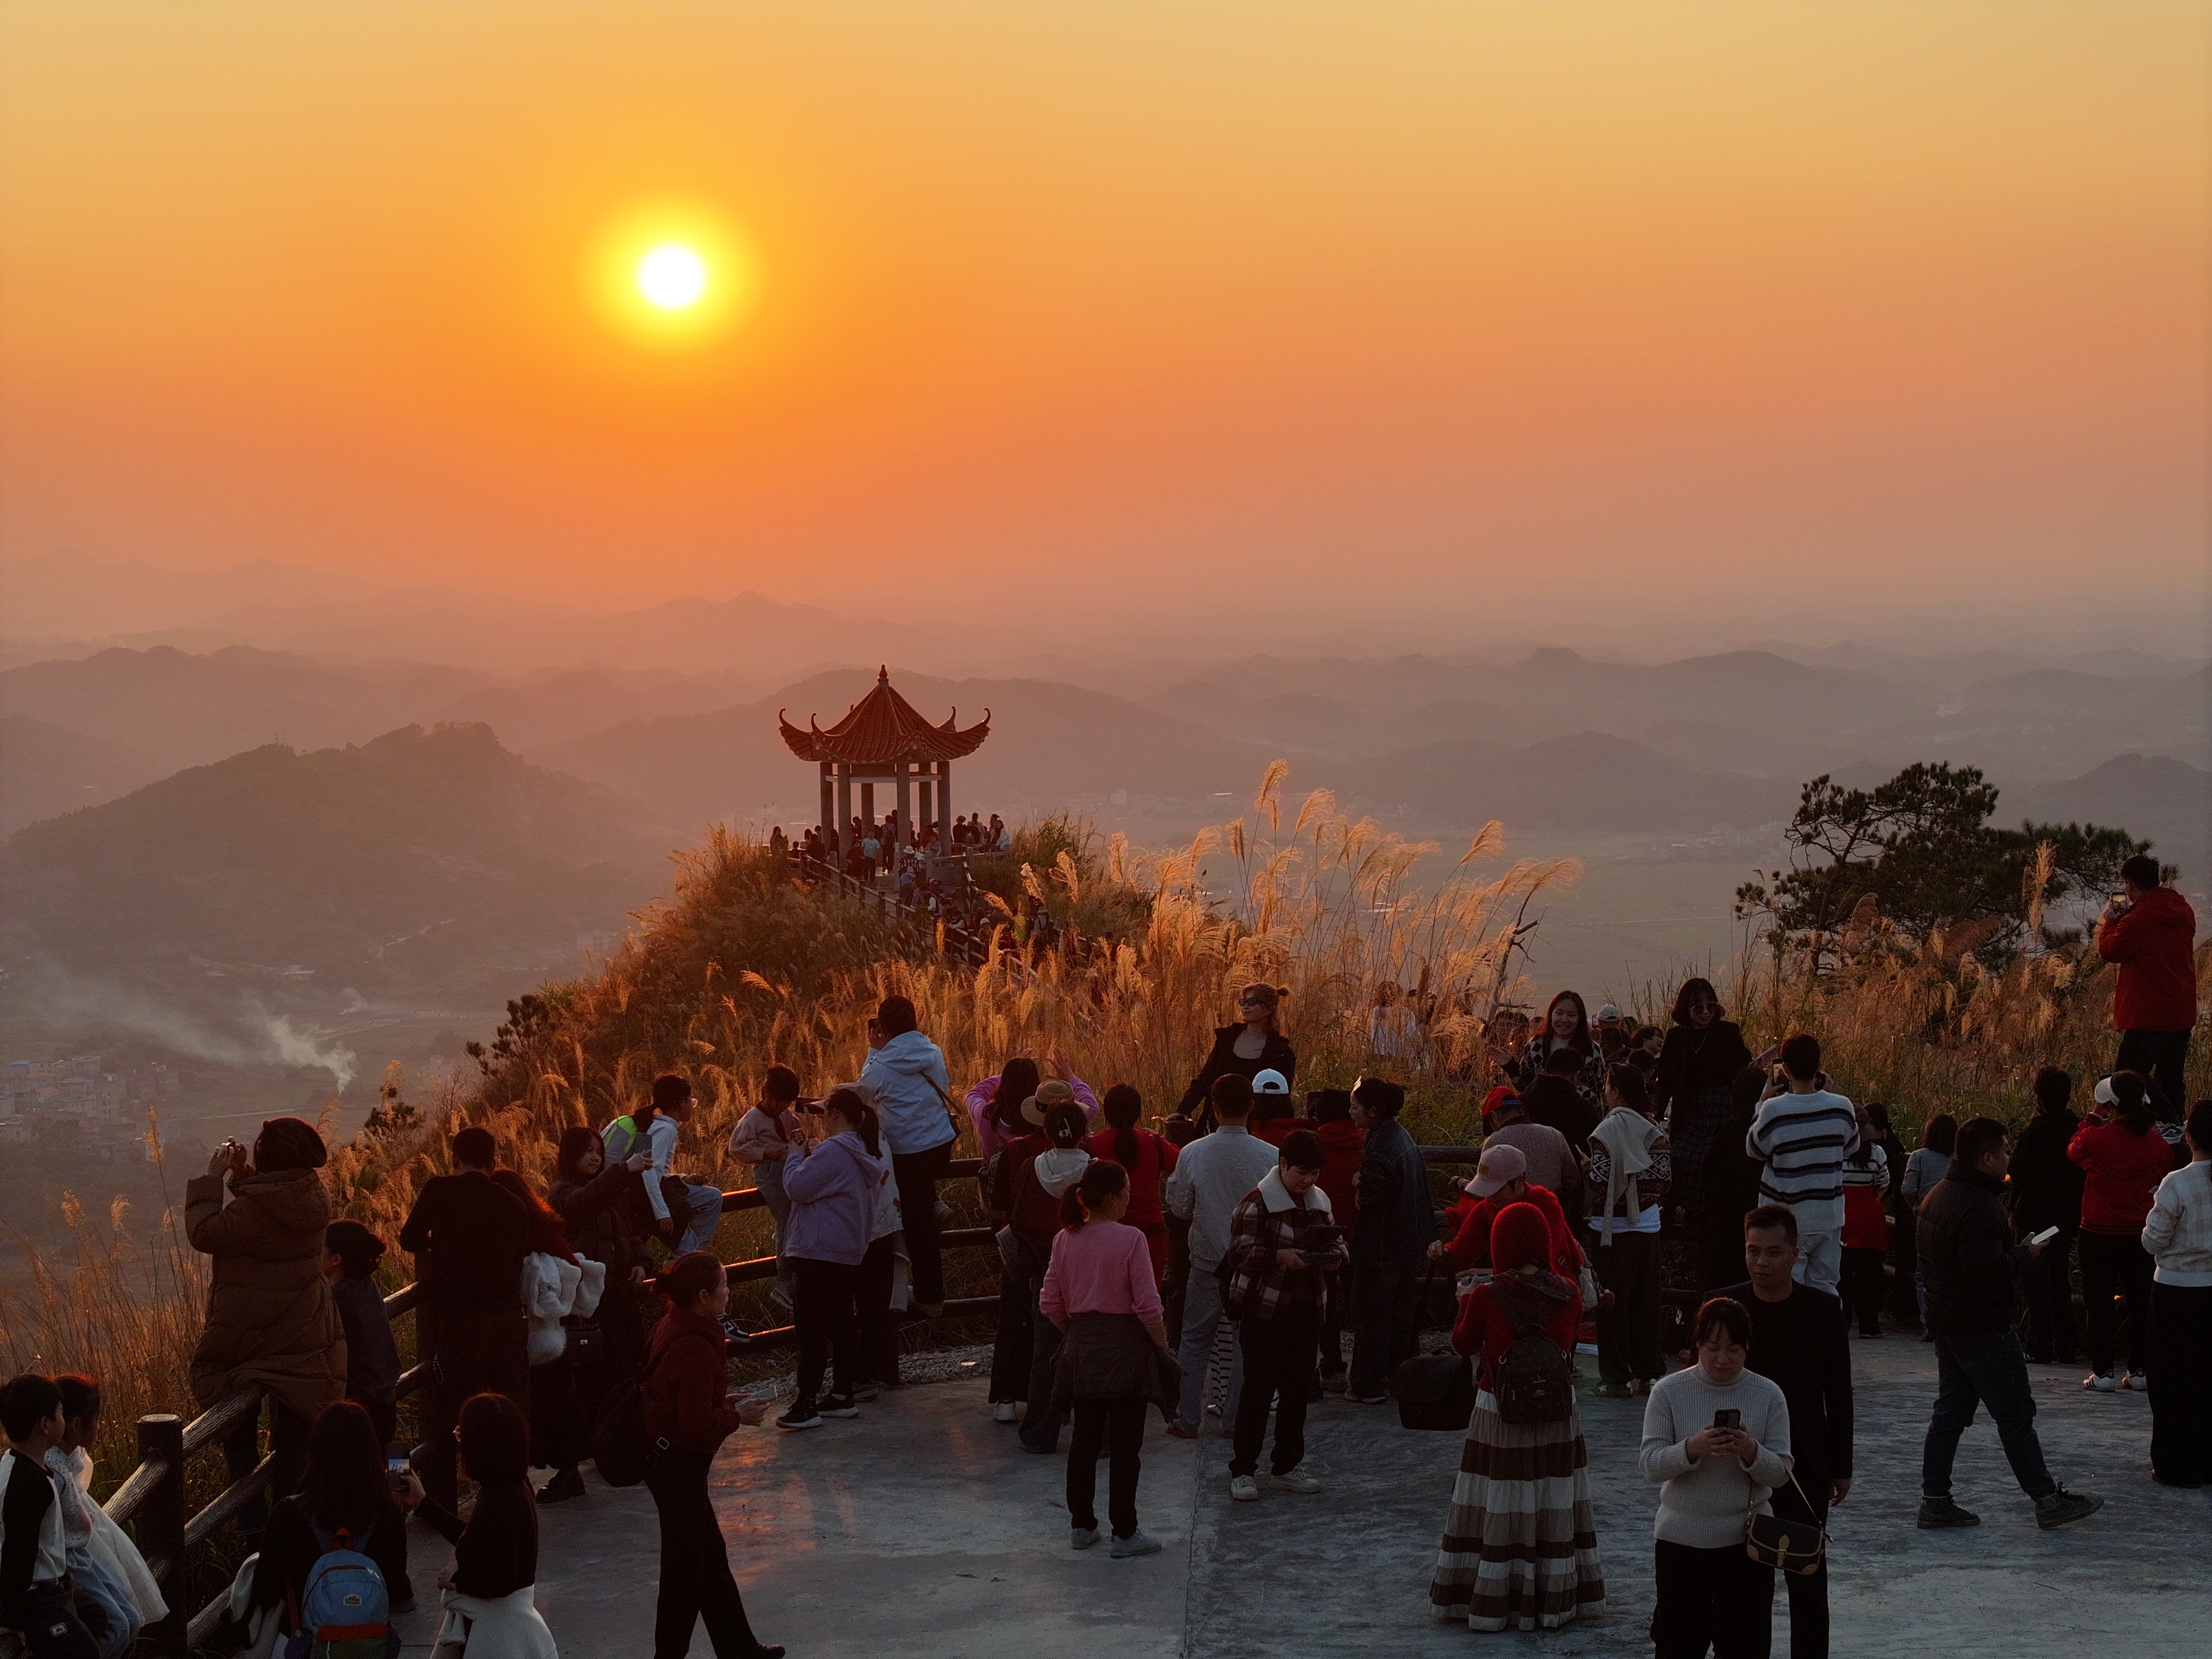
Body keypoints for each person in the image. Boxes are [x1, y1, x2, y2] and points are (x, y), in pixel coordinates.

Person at [1915, 1116, 2103, 1531]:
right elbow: (1987, 1270)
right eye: (2003, 1150)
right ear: (1986, 1158)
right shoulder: (1980, 1207)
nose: (2007, 1158)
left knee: (1950, 1413)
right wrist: (2025, 1254)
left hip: (1948, 1321)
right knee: (2014, 1415)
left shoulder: (1940, 1195)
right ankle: (2046, 1499)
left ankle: (1935, 1499)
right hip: (1982, 1325)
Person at [1427, 1203, 1602, 1633]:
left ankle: (1496, 1595)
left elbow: (1462, 1344)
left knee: (1500, 1499)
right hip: (1557, 1407)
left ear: (1499, 1246)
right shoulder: (1569, 1292)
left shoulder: (1487, 1295)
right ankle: (1552, 1596)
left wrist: (1463, 1304)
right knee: (1552, 1497)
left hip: (1500, 1407)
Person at [187, 1116, 344, 1540]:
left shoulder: (253, 1213)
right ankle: (300, 1532)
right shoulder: (313, 1194)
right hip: (301, 1332)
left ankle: (256, 1535)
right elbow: (274, 1207)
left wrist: (212, 1179)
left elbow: (205, 1233)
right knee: (296, 1446)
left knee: (235, 1427)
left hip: (251, 1335)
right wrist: (245, 1176)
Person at [1714, 1208, 1852, 1659]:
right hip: (1736, 1462)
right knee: (1745, 1585)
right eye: (1753, 1251)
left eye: (1774, 1253)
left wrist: (1841, 1467)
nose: (1762, 1263)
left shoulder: (1823, 1311)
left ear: (1795, 1255)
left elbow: (1839, 1393)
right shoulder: (1724, 1309)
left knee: (1806, 1578)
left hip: (1804, 1465)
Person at [637, 1252, 781, 1659]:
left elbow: (680, 1400)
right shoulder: (696, 1346)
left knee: (709, 1561)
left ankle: (740, 1649)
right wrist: (738, 1417)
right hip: (678, 1465)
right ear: (703, 1296)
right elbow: (696, 1426)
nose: (728, 1293)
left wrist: (727, 1402)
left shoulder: (672, 1324)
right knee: (684, 1575)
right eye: (724, 1287)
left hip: (666, 1459)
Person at [1640, 1299, 1792, 1659]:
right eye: (1712, 1349)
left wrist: (1750, 1450)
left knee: (1745, 1647)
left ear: (1747, 1348)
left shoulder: (1768, 1394)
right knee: (1678, 1646)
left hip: (1746, 1544)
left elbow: (1782, 1473)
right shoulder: (1668, 1391)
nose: (1722, 1359)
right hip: (1681, 1541)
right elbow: (1650, 1465)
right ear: (1697, 1345)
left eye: (1733, 1350)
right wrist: (1693, 1448)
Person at [1039, 1159, 1173, 1559]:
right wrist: (1162, 1346)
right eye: (1127, 1191)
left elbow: (1050, 1302)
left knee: (1084, 1440)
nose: (1130, 1197)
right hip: (1127, 1352)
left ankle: (1082, 1526)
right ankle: (1125, 1532)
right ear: (1113, 1198)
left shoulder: (1064, 1239)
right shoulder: (1131, 1239)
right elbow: (1148, 1305)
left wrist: (1078, 1332)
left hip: (1083, 1350)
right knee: (1126, 1447)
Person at [400, 1125, 531, 1512]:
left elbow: (409, 1239)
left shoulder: (439, 1191)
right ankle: (514, 1487)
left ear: (454, 1159)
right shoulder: (511, 1202)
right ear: (494, 1162)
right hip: (509, 1316)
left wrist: (442, 1249)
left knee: (457, 1408)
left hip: (463, 1319)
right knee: (509, 1404)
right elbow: (519, 1255)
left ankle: (448, 1498)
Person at [1222, 1130, 1340, 1502]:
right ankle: (1243, 1469)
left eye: (1314, 1173)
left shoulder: (1319, 1200)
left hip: (1307, 1308)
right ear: (1283, 1165)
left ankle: (1287, 1466)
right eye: (1302, 1173)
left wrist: (1334, 1258)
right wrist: (1279, 1257)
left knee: (1297, 1392)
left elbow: (1337, 1243)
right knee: (1257, 1390)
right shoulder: (1256, 1202)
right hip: (1265, 1309)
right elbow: (1238, 1253)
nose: (1308, 1180)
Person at [1165, 1075, 1279, 1437]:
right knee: (1247, 1345)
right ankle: (1235, 1420)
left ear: (1213, 1108)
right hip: (1252, 1265)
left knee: (1195, 1340)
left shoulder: (1192, 1153)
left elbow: (1180, 1208)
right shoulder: (1271, 1156)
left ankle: (1188, 1419)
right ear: (1251, 1107)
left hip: (1207, 1262)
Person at [402, 1393, 556, 1659]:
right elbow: (478, 1539)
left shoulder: (502, 1501)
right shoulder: (509, 1486)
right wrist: (423, 1503)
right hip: (510, 1629)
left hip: (497, 1636)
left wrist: (456, 1580)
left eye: (462, 1436)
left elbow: (500, 1581)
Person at [775, 1088, 887, 1431]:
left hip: (818, 1250)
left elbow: (797, 1187)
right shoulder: (862, 1151)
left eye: (825, 1113)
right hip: (847, 1251)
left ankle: (806, 1403)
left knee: (811, 1328)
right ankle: (841, 1394)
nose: (822, 1119)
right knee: (841, 1323)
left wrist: (795, 1155)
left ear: (836, 1114)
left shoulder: (836, 1149)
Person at [251, 1400, 415, 1633]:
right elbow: (395, 1588)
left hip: (306, 1640)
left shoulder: (289, 1514)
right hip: (368, 1643)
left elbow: (265, 1590)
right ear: (371, 1451)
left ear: (316, 1450)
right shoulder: (388, 1516)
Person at [491, 1169, 601, 1506]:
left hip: (536, 1333)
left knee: (547, 1401)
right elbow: (571, 1263)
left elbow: (569, 1266)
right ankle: (563, 1471)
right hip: (545, 1332)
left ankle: (559, 1473)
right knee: (553, 1399)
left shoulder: (525, 1230)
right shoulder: (541, 1226)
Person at [2069, 1071, 2174, 1392]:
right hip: (2140, 1234)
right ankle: (2139, 1369)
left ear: (2111, 1105)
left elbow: (2074, 1150)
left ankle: (2102, 1372)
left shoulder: (2095, 1139)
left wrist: (2093, 1116)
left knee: (2099, 1303)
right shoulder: (2158, 1144)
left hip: (2098, 1231)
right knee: (2141, 1303)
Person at [45, 1378, 165, 1658]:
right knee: (119, 1624)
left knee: (128, 1619)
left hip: (79, 1553)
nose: (98, 1427)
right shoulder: (51, 1470)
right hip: (69, 1561)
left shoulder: (68, 1459)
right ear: (77, 1424)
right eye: (96, 1420)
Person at [859, 995, 957, 1317]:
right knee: (920, 1204)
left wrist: (874, 1051)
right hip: (941, 1146)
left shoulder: (881, 1064)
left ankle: (931, 1298)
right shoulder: (933, 1052)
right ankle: (934, 1201)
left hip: (909, 1155)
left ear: (883, 1028)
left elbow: (864, 1096)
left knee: (918, 1228)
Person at [1745, 1035, 1859, 1297]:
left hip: (1785, 1220)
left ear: (1784, 1069)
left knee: (1787, 1289)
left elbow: (1754, 1149)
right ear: (1819, 1065)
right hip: (1828, 1215)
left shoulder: (1774, 1110)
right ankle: (1829, 1325)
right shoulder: (1842, 1107)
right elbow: (1851, 1147)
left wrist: (1761, 1103)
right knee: (1826, 1287)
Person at [1346, 1076, 1434, 1405]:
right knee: (1399, 1317)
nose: (1351, 1113)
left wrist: (1358, 1182)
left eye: (1355, 1108)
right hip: (1407, 1242)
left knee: (1372, 1318)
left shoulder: (1382, 1147)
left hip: (1381, 1247)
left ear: (1373, 1111)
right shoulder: (1398, 1136)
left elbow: (1369, 1197)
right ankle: (1400, 1377)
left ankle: (1367, 1383)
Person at [1014, 1099, 1096, 1454]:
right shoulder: (1096, 1172)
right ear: (1084, 1133)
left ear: (1046, 1133)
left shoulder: (1030, 1168)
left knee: (1045, 1355)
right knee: (1094, 1353)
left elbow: (1017, 1217)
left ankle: (1039, 1433)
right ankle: (1097, 1435)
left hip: (1045, 1270)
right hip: (1091, 1276)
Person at [1584, 1065, 1670, 1398]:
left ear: (1616, 1092)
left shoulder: (1606, 1130)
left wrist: (1587, 1168)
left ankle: (1616, 1378)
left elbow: (1600, 1180)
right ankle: (1649, 1374)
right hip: (1647, 1225)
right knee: (1646, 1302)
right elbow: (1663, 1178)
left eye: (1608, 1087)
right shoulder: (1653, 1130)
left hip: (1611, 1230)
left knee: (1612, 1304)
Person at [0, 1374, 98, 1659]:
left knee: (96, 1616)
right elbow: (18, 1554)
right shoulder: (29, 1486)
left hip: (48, 1587)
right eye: (60, 1414)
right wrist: (13, 1618)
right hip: (33, 1598)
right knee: (84, 1651)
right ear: (44, 1425)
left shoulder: (15, 1463)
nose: (64, 1421)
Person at [2096, 853, 2199, 1122]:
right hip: (2182, 1010)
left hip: (2149, 1013)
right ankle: (2175, 1134)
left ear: (2130, 884)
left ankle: (2169, 1123)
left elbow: (2111, 950)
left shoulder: (2138, 920)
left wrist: (2111, 921)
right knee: (2171, 1080)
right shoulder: (2183, 910)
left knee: (2128, 1078)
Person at [550, 1126, 653, 1391]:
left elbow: (628, 1233)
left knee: (632, 1361)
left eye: (598, 1152)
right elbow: (581, 1204)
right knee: (603, 1368)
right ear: (571, 1154)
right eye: (587, 1151)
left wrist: (641, 1263)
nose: (595, 1157)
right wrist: (622, 1171)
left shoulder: (608, 1192)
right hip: (590, 1298)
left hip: (620, 1291)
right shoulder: (562, 1192)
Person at [2143, 1099, 2212, 1487]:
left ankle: (2177, 1465)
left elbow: (2153, 1241)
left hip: (2176, 1291)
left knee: (2173, 1381)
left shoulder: (2177, 1183)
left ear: (2189, 1136)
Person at [1652, 979, 1760, 1226]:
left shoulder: (1727, 1032)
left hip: (1723, 1107)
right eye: (1698, 1008)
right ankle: (1677, 1207)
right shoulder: (1677, 1037)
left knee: (1710, 1158)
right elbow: (1665, 1078)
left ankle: (1703, 1211)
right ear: (1685, 1009)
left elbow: (1745, 1068)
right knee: (1677, 1155)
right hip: (1690, 1109)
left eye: (1710, 1006)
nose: (1705, 1013)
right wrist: (1656, 1111)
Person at [2008, 1069, 2085, 1363]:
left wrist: (2014, 1207)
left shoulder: (2033, 1133)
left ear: (2039, 1097)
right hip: (2065, 1218)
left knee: (2035, 1281)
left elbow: (2018, 1172)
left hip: (2034, 1218)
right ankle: (2065, 1344)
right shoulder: (2078, 1131)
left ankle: (2039, 1343)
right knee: (2059, 1280)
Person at [618, 1075, 725, 1257]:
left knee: (712, 1196)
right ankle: (694, 1259)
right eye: (691, 1101)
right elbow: (648, 1172)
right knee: (689, 1251)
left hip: (648, 1193)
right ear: (681, 1103)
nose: (692, 1106)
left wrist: (682, 1178)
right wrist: (662, 1213)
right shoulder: (665, 1130)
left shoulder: (654, 1124)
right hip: (647, 1200)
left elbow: (650, 1169)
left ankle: (695, 1256)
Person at [727, 1066, 806, 1310]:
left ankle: (794, 1275)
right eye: (782, 1101)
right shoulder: (752, 1120)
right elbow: (736, 1148)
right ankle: (784, 1281)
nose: (785, 1106)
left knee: (795, 1219)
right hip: (770, 1172)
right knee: (788, 1222)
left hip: (788, 1167)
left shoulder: (787, 1115)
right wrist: (765, 1152)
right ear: (769, 1094)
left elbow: (797, 1135)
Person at [1090, 1084, 1179, 1285]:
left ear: (1106, 1113)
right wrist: (1158, 1137)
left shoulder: (1092, 1145)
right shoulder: (1154, 1143)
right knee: (1149, 1295)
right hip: (1151, 1236)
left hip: (1106, 1236)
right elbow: (1182, 1163)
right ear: (1138, 1114)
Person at [323, 1220, 403, 1446]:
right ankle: (403, 1469)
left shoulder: (340, 1298)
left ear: (336, 1259)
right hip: (384, 1400)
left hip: (360, 1407)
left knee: (366, 1464)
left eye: (321, 1249)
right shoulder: (367, 1286)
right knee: (390, 1460)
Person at [1307, 1090, 1364, 1395]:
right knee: (1363, 1301)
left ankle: (1332, 1367)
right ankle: (1367, 1366)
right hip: (1359, 1234)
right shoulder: (1365, 1144)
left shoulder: (1314, 1145)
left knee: (1325, 1303)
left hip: (1322, 1235)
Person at [1178, 984, 1298, 1127]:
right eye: (1244, 1001)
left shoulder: (1280, 1052)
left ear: (1268, 1009)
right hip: (1214, 1124)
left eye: (1252, 1002)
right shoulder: (1226, 1040)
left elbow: (1281, 1097)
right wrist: (1183, 1111)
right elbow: (1205, 1079)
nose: (1245, 1007)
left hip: (1255, 1129)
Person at [1493, 991, 1607, 1128]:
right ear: (1551, 1015)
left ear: (1580, 1019)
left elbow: (1594, 1091)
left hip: (1579, 1124)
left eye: (1571, 1015)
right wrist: (1510, 1066)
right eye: (1559, 1013)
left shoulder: (1591, 1051)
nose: (1564, 1020)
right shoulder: (1536, 1045)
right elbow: (1526, 1086)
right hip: (1540, 1124)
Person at [1700, 1067, 1768, 1294]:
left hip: (1724, 1215)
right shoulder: (1769, 1131)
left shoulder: (1729, 1128)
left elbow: (1708, 1167)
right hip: (1759, 1212)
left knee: (1721, 1280)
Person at [968, 1058, 1099, 1160]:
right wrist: (1071, 1079)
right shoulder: (1052, 1120)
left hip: (997, 1184)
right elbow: (1091, 1107)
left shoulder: (986, 1116)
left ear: (1005, 1083)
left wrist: (1012, 1074)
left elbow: (974, 1094)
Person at [1478, 1090, 1579, 1216]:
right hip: (1551, 1214)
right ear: (1520, 1110)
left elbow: (1484, 1186)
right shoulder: (1555, 1135)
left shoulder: (1494, 1142)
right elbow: (1573, 1179)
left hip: (1512, 1217)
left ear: (1494, 1117)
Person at [1900, 1113, 1957, 1338]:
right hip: (1955, 1220)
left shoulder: (1919, 1157)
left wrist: (1917, 1206)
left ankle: (1929, 1323)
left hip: (1925, 1220)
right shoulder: (1959, 1158)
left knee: (1924, 1273)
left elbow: (1908, 1189)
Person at [1838, 1103, 1890, 1338]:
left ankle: (1842, 1323)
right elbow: (1883, 1184)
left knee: (1842, 1275)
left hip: (1841, 1215)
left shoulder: (1836, 1151)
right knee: (1867, 1276)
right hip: (1868, 1218)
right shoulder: (1877, 1153)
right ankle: (1869, 1326)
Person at [1521, 1046, 1602, 1167]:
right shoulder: (1585, 1111)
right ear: (1576, 1076)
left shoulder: (1521, 1104)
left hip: (1524, 1175)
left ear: (1544, 1071)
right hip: (1569, 1175)